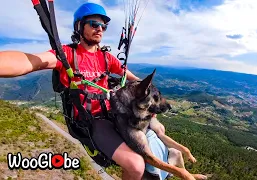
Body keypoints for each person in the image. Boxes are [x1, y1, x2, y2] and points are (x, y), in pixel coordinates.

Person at [0, 2, 155, 180]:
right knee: (135, 166)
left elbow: (129, 76)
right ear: (79, 26)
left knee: (158, 132)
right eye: (94, 24)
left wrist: (150, 93)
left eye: (103, 26)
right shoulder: (67, 54)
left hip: (112, 112)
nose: (100, 29)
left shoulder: (105, 57)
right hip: (91, 120)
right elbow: (31, 61)